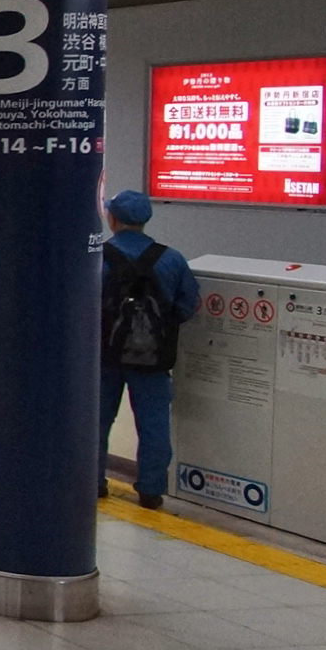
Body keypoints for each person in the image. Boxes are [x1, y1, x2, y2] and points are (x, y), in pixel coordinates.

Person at [101, 188, 200, 511]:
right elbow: (187, 305)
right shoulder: (172, 259)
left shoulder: (98, 257)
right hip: (154, 358)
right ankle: (151, 490)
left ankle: (93, 482)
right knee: (154, 423)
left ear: (112, 219)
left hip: (104, 356)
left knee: (97, 420)